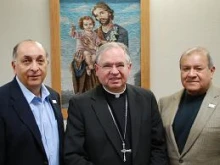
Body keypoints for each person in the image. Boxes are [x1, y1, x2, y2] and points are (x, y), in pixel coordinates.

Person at [64, 42, 168, 165]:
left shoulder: (146, 98)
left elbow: (158, 147)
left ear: (129, 68)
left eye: (120, 65)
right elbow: (73, 155)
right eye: (107, 66)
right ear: (97, 70)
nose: (114, 71)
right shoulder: (80, 105)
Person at [0, 39, 64, 165]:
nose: (35, 68)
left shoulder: (53, 97)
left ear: (47, 64)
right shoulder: (2, 99)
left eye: (40, 61)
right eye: (26, 61)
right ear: (14, 66)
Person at [158, 46, 220, 165]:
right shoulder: (165, 103)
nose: (191, 74)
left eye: (198, 68)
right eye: (186, 69)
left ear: (211, 71)